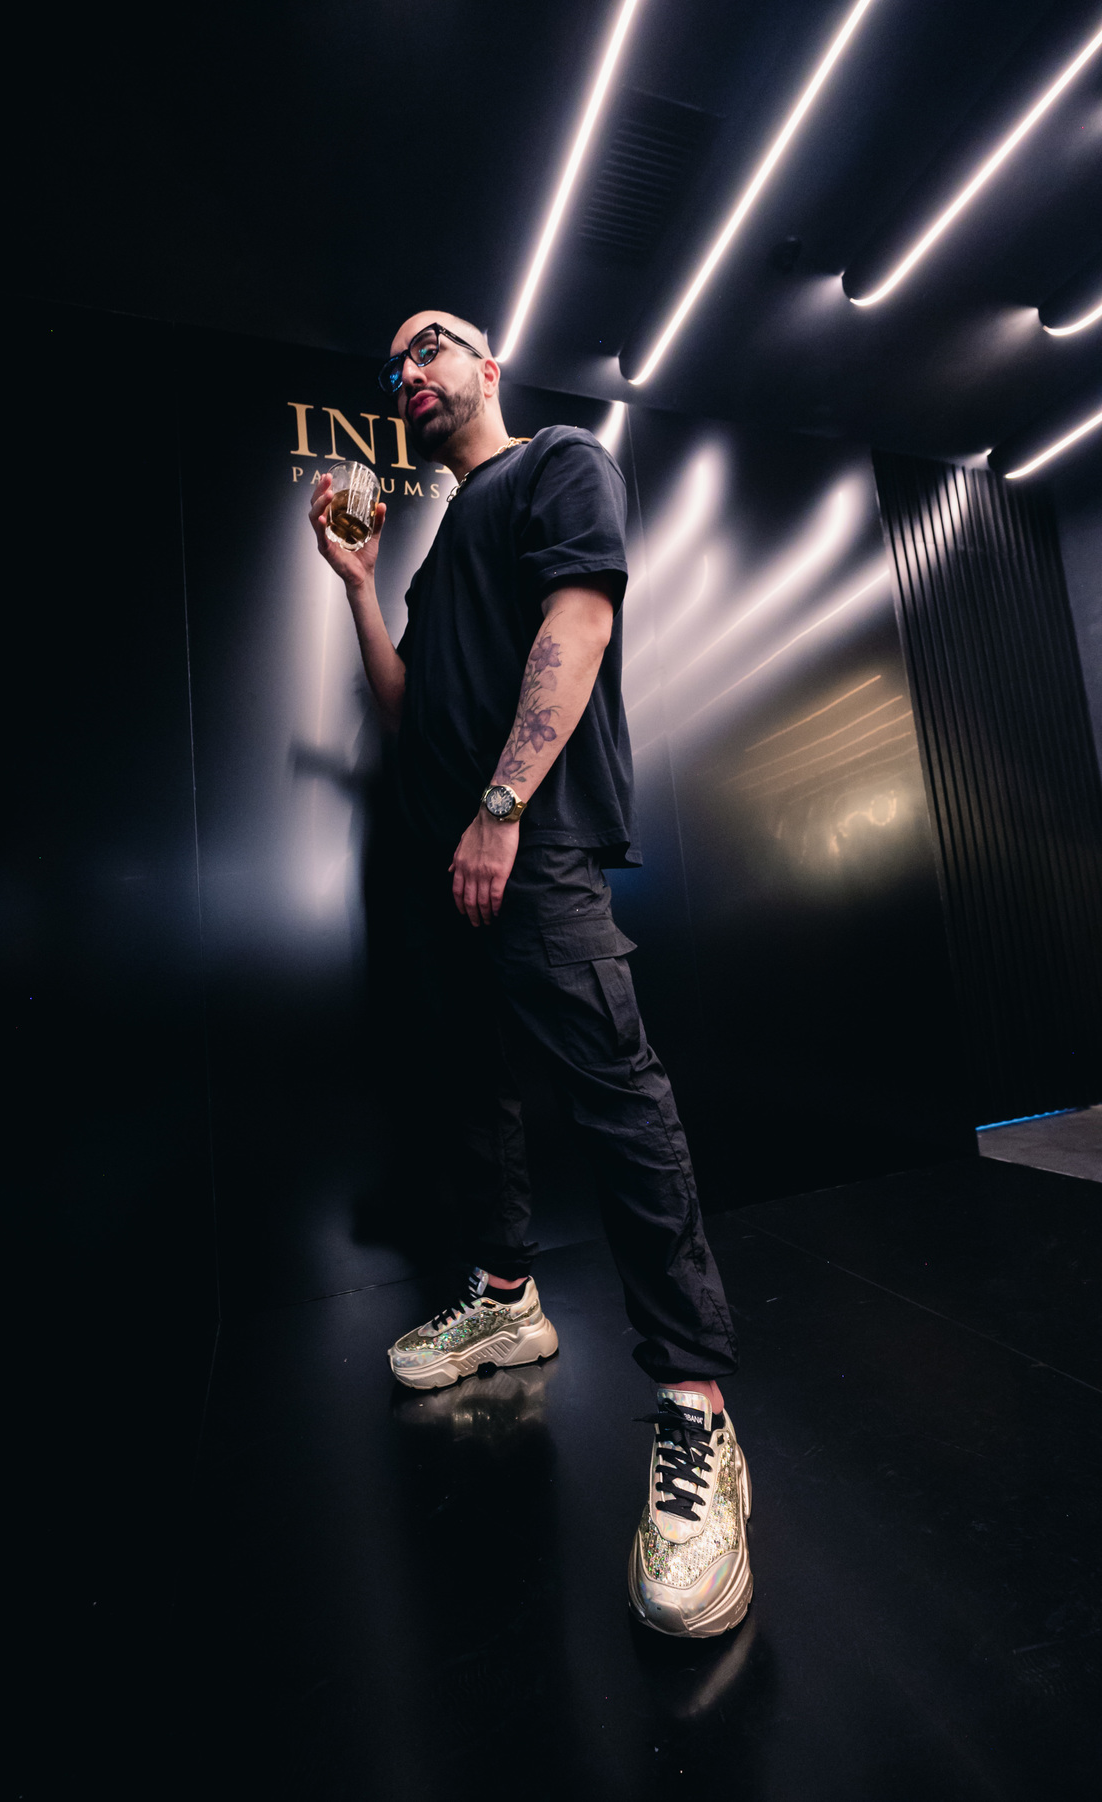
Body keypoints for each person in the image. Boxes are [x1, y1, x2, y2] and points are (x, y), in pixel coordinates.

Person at [308, 312, 752, 1639]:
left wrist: (503, 809)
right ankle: (506, 1304)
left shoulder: (560, 461)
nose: (409, 374)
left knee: (619, 1102)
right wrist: (357, 583)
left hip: (530, 843)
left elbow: (581, 621)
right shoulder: (442, 550)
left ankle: (696, 1411)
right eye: (394, 366)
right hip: (449, 865)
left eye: (430, 350)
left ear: (487, 364)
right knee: (472, 1090)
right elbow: (403, 712)